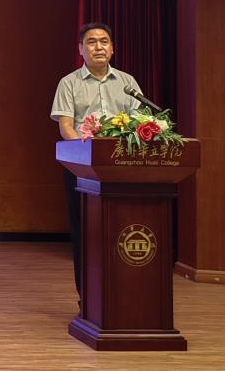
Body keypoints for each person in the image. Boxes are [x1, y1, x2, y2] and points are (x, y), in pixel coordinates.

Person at [50, 22, 143, 299]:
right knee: (85, 233)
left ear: (112, 49)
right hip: (82, 169)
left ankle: (124, 295)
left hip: (122, 168)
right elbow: (66, 127)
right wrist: (86, 155)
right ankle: (88, 297)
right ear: (81, 49)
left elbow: (140, 123)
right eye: (91, 42)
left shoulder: (127, 83)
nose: (98, 47)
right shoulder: (69, 83)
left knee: (121, 230)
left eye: (104, 42)